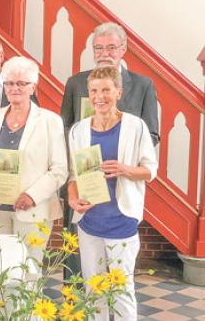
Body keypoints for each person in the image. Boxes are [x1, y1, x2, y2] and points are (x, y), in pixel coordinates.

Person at [60, 22, 160, 279]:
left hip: (120, 184)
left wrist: (123, 151)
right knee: (80, 259)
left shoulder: (142, 84)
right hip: (85, 179)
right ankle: (76, 310)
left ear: (123, 49)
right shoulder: (75, 82)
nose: (104, 53)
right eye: (99, 47)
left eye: (111, 47)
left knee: (117, 278)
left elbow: (152, 133)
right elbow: (67, 128)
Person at [67, 66, 158, 320]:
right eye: (94, 91)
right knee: (93, 288)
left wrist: (124, 169)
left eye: (106, 90)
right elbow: (74, 177)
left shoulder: (136, 127)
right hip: (89, 222)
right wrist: (74, 199)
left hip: (122, 220)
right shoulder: (78, 130)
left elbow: (150, 170)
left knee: (121, 290)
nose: (100, 97)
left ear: (118, 92)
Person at [0, 56, 68, 264]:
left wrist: (32, 196)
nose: (15, 88)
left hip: (32, 210)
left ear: (33, 87)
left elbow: (59, 170)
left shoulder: (50, 121)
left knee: (28, 271)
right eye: (10, 83)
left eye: (22, 83)